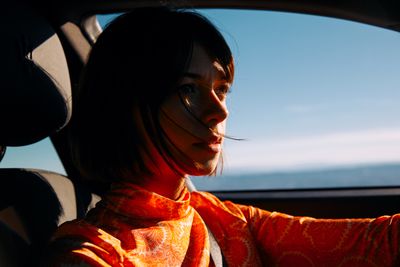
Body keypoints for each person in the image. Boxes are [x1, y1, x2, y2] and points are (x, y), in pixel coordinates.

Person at [44, 7, 400, 267]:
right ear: (126, 102)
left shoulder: (219, 217)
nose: (221, 112)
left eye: (221, 89)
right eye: (188, 89)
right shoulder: (96, 251)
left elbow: (375, 242)